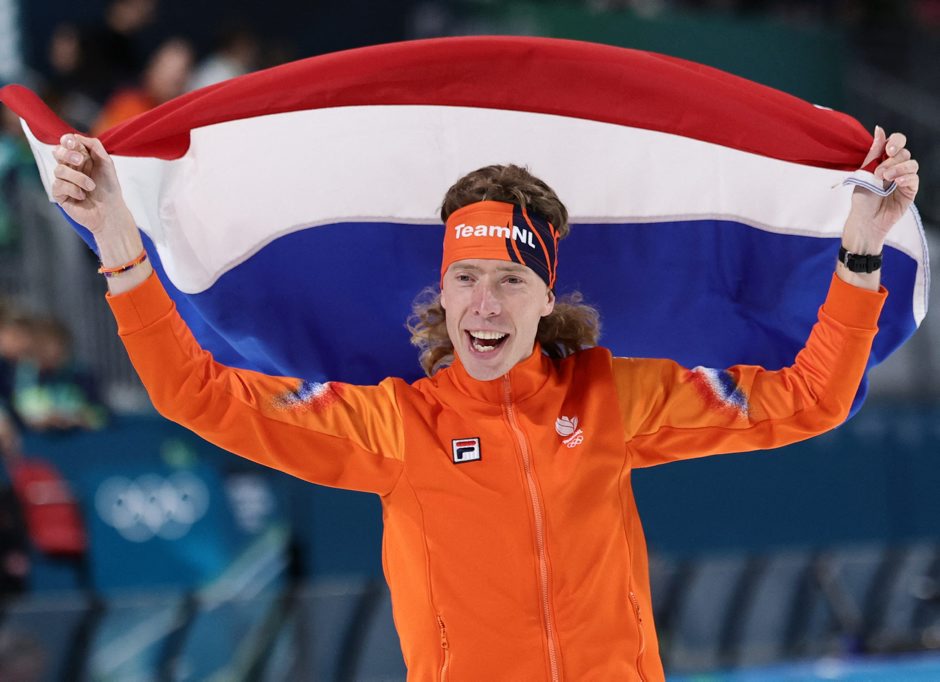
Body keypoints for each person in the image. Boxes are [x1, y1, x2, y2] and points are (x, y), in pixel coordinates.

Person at [48, 126, 918, 680]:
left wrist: (860, 252)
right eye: (465, 278)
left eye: (509, 280)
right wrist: (119, 243)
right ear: (443, 294)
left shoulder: (614, 398)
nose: (485, 303)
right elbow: (195, 393)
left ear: (546, 299)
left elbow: (811, 399)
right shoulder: (397, 428)